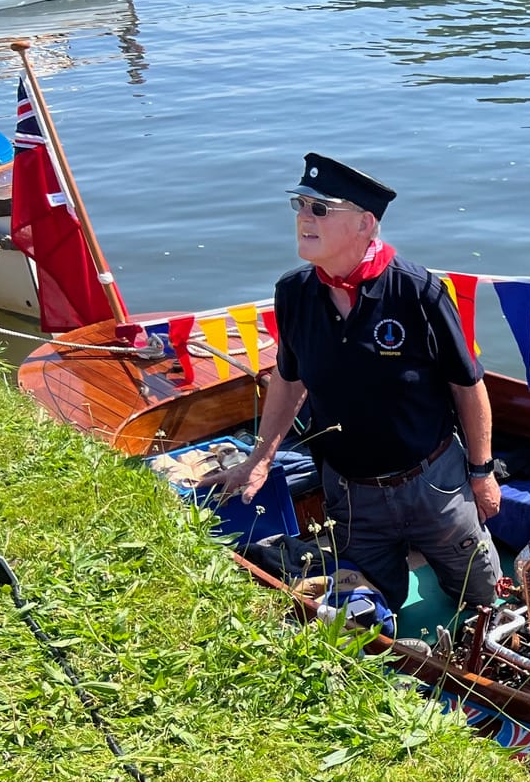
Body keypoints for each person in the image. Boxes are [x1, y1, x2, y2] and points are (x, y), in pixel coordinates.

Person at [211, 153, 501, 622]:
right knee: (368, 619)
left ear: (366, 223)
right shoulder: (294, 293)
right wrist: (259, 459)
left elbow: (468, 385)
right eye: (300, 205)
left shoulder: (418, 292)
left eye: (320, 209)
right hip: (352, 496)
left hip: (434, 486)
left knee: (482, 599)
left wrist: (482, 472)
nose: (305, 217)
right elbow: (289, 378)